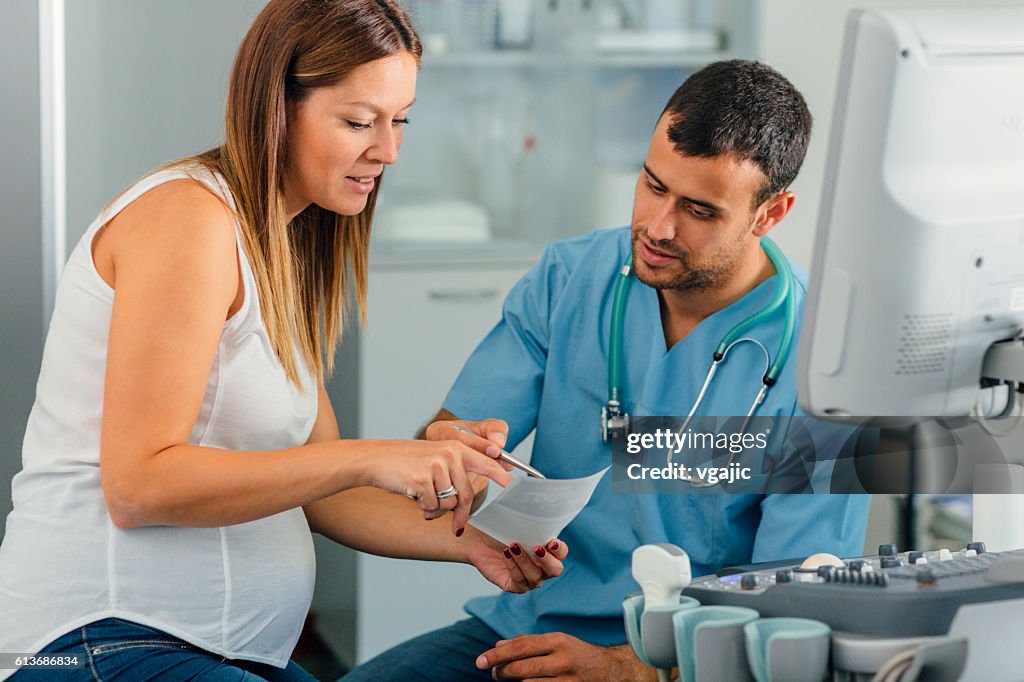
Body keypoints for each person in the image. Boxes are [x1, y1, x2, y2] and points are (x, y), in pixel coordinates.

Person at [0, 2, 566, 680]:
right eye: (360, 121)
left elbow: (321, 489)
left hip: (214, 649)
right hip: (97, 639)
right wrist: (369, 457)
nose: (388, 150)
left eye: (399, 120)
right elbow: (139, 483)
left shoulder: (279, 250)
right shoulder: (189, 219)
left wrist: (475, 543)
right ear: (278, 105)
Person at [342, 60, 872, 681]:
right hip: (533, 630)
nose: (658, 226)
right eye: (652, 185)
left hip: (695, 666)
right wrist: (453, 463)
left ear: (770, 214)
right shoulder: (573, 278)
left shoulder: (822, 365)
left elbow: (792, 614)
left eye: (700, 211)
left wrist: (633, 670)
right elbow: (454, 438)